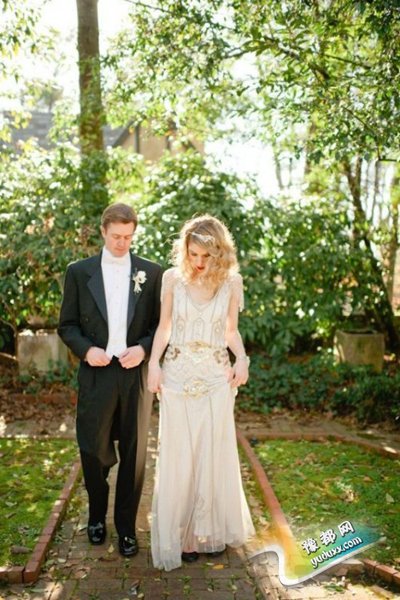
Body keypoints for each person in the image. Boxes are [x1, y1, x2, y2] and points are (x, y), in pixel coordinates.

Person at [147, 214, 255, 571]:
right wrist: (153, 364)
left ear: (219, 252)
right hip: (177, 376)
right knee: (181, 454)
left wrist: (242, 358)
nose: (198, 261)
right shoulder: (172, 279)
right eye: (192, 253)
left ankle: (205, 532)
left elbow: (230, 332)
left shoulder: (231, 282)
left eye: (206, 255)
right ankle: (181, 533)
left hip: (214, 376)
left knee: (211, 451)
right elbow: (164, 328)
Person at [58, 203, 162, 557]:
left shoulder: (152, 273)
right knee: (92, 449)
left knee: (134, 453)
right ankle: (96, 515)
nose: (122, 243)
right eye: (116, 236)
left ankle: (127, 529)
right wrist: (87, 350)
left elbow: (161, 326)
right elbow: (67, 325)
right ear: (103, 231)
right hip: (97, 372)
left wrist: (144, 349)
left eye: (128, 237)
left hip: (135, 374)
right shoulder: (78, 272)